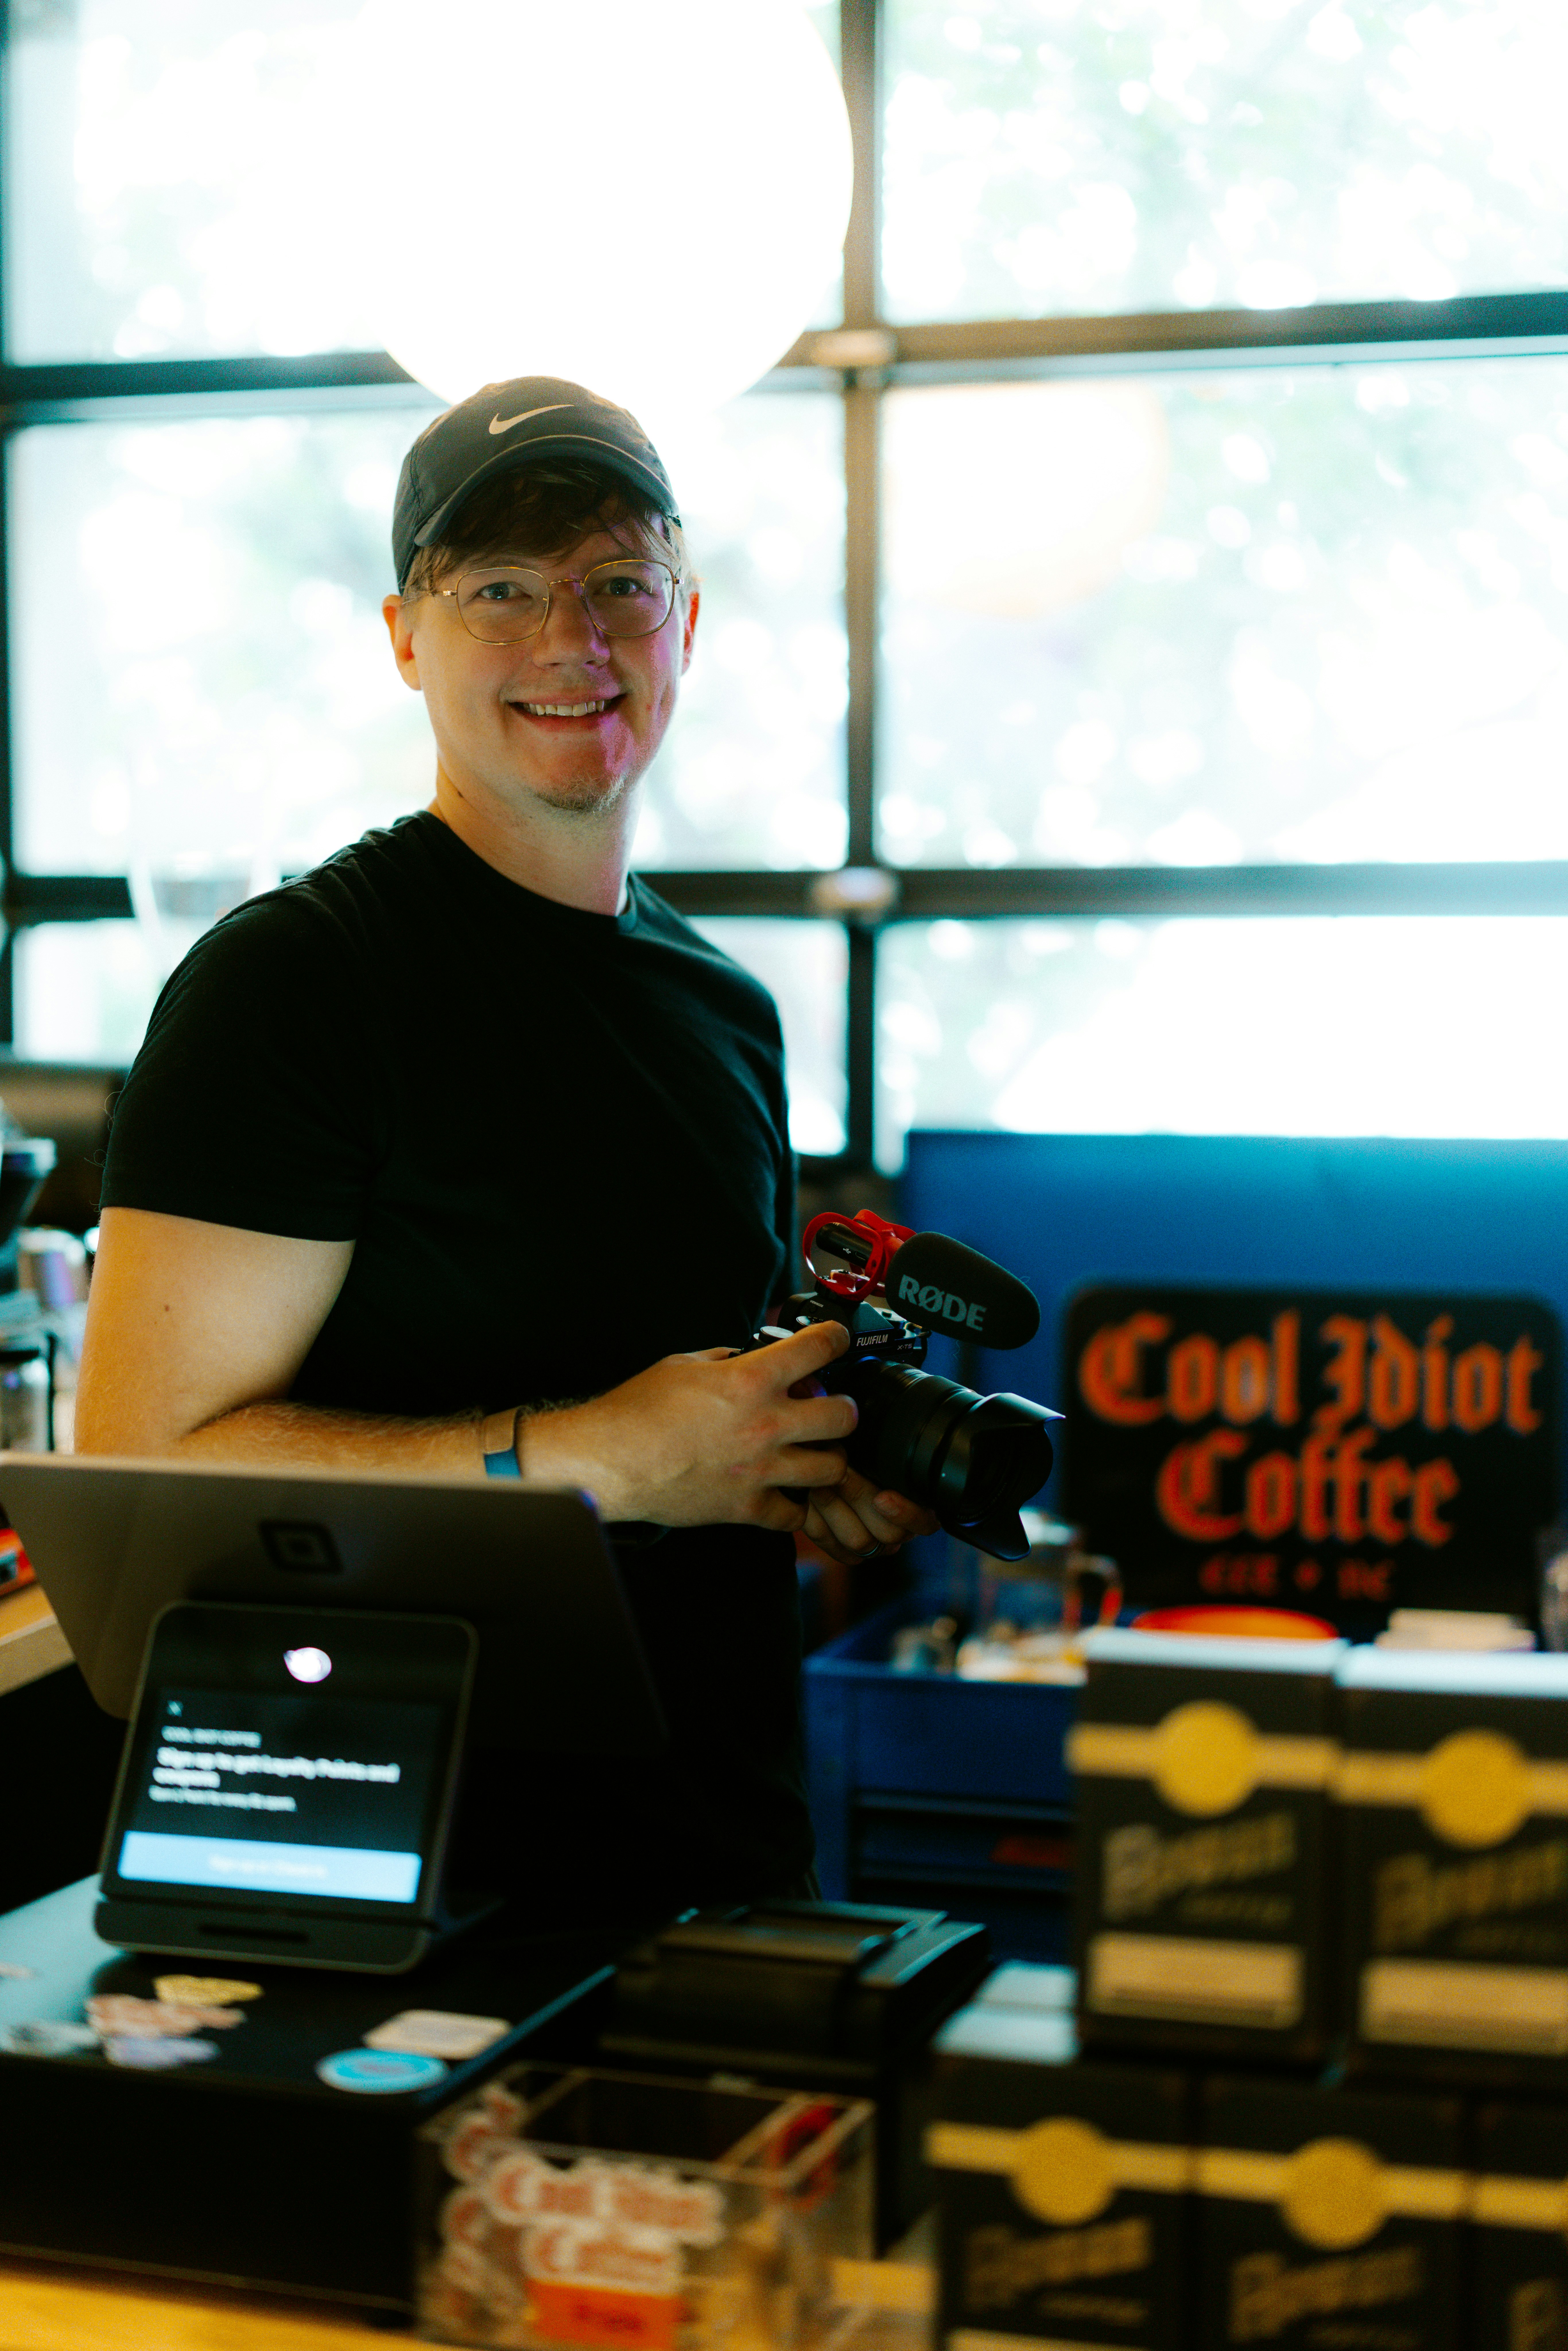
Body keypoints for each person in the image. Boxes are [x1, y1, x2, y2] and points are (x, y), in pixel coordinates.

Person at [74, 376, 935, 1913]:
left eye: (620, 585)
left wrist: (788, 1466)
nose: (570, 642)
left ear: (689, 623)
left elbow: (678, 1424)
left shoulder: (721, 1010)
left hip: (716, 1861)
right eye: (499, 592)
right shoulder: (300, 983)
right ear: (404, 638)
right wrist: (600, 1459)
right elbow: (143, 1485)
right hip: (399, 1888)